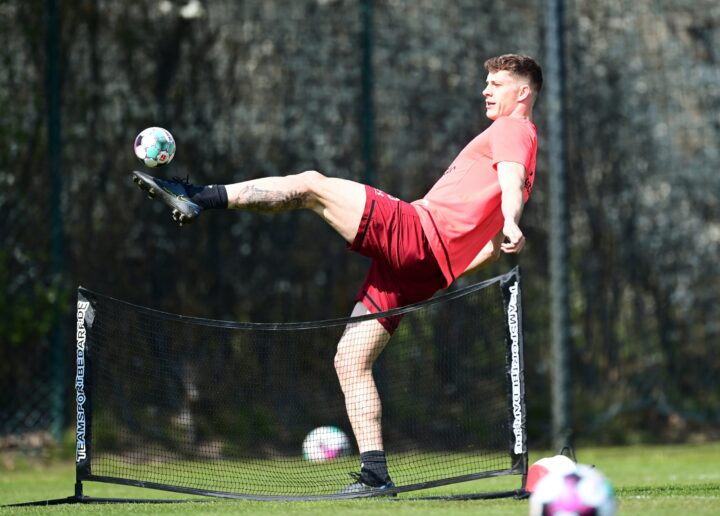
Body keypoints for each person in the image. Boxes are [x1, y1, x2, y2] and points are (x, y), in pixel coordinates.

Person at [132, 53, 542, 495]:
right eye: (487, 82)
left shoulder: (512, 129)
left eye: (496, 83)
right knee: (350, 360)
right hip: (426, 267)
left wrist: (513, 221)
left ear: (522, 92)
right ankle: (375, 475)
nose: (486, 90)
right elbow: (490, 240)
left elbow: (510, 182)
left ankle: (195, 195)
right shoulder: (523, 142)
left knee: (311, 185)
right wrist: (450, 270)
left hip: (417, 235)